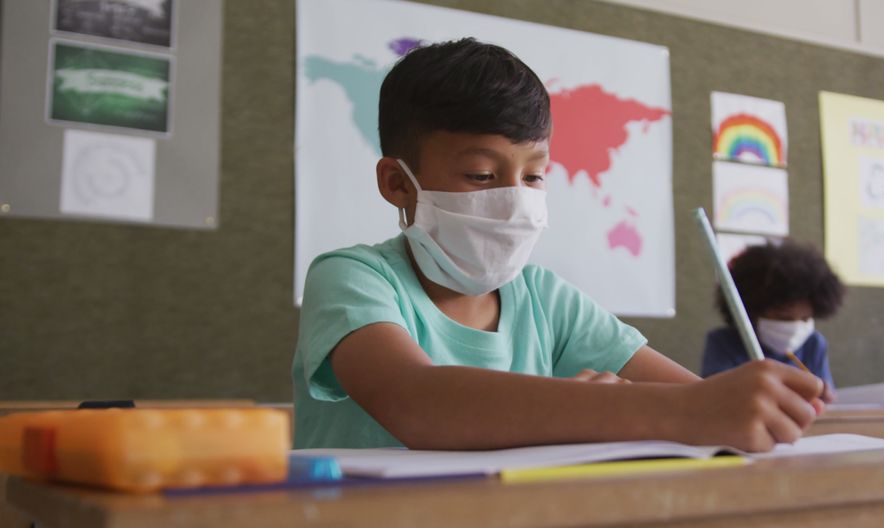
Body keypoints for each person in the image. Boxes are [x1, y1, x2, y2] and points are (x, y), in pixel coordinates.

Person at [292, 38, 824, 453]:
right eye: (481, 175)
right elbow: (415, 402)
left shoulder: (544, 299)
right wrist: (619, 408)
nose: (514, 200)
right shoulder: (353, 278)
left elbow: (695, 399)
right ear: (397, 183)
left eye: (534, 176)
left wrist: (745, 404)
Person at [701, 241, 846, 397]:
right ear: (752, 311)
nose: (795, 327)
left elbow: (826, 398)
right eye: (783, 318)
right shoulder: (723, 342)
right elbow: (713, 398)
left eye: (805, 318)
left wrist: (825, 395)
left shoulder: (813, 344)